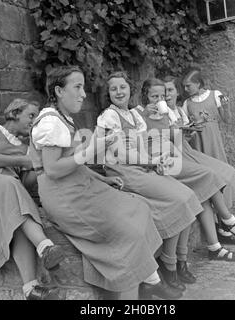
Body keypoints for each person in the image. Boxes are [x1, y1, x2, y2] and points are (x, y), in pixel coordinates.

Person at [29, 65, 182, 301]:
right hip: (65, 196)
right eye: (77, 87)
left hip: (79, 183)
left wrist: (103, 178)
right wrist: (92, 149)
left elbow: (73, 162)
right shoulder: (49, 122)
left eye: (83, 88)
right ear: (59, 91)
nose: (83, 94)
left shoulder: (63, 118)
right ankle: (127, 292)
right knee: (127, 231)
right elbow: (53, 169)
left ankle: (150, 281)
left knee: (139, 209)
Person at [133, 77, 235, 262]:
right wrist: (146, 117)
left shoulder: (164, 113)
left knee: (203, 195)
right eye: (153, 96)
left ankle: (214, 247)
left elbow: (171, 136)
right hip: (160, 162)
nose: (158, 100)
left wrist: (183, 132)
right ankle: (228, 221)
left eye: (161, 96)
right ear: (144, 95)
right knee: (208, 176)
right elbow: (139, 141)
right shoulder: (137, 114)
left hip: (175, 154)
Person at [0, 98, 65, 300]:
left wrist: (39, 162)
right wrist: (22, 160)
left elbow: (24, 185)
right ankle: (45, 246)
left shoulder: (27, 149)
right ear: (15, 113)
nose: (34, 122)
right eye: (31, 115)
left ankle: (31, 289)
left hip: (4, 197)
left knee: (19, 219)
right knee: (9, 184)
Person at [163, 75, 235, 244]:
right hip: (183, 153)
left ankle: (224, 224)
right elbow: (163, 139)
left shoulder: (181, 110)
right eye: (164, 91)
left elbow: (225, 118)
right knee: (208, 183)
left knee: (226, 173)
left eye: (170, 90)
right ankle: (225, 225)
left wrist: (188, 132)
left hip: (194, 148)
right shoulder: (169, 110)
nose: (167, 95)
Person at [181, 67, 230, 163]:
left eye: (188, 86)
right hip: (198, 145)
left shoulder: (215, 95)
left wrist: (226, 108)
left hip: (214, 142)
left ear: (198, 84)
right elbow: (185, 127)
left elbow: (227, 120)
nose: (185, 89)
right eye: (184, 87)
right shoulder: (187, 104)